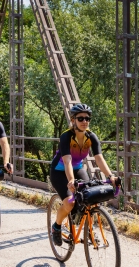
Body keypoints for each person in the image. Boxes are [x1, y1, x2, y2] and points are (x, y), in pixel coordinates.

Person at [50, 103, 118, 246]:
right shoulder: (66, 137)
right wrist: (71, 181)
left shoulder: (91, 136)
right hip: (59, 171)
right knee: (70, 202)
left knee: (91, 197)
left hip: (78, 169)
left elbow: (99, 158)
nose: (84, 121)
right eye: (80, 118)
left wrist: (110, 176)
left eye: (87, 118)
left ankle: (88, 229)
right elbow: (67, 161)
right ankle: (56, 227)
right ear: (73, 120)